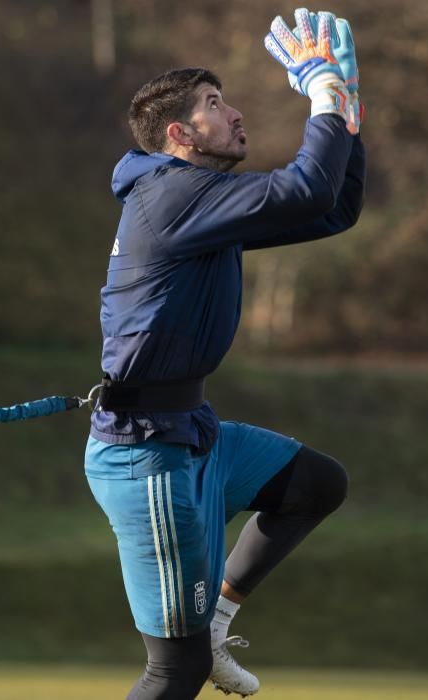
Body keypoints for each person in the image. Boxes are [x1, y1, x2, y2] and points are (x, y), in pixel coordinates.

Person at [84, 8, 366, 699]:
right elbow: (306, 187)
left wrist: (347, 108)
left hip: (192, 434)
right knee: (172, 672)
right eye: (216, 105)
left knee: (316, 485)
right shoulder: (174, 195)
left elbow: (331, 207)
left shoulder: (195, 199)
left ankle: (216, 621)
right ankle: (196, 642)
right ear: (180, 135)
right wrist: (323, 91)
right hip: (146, 454)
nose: (236, 113)